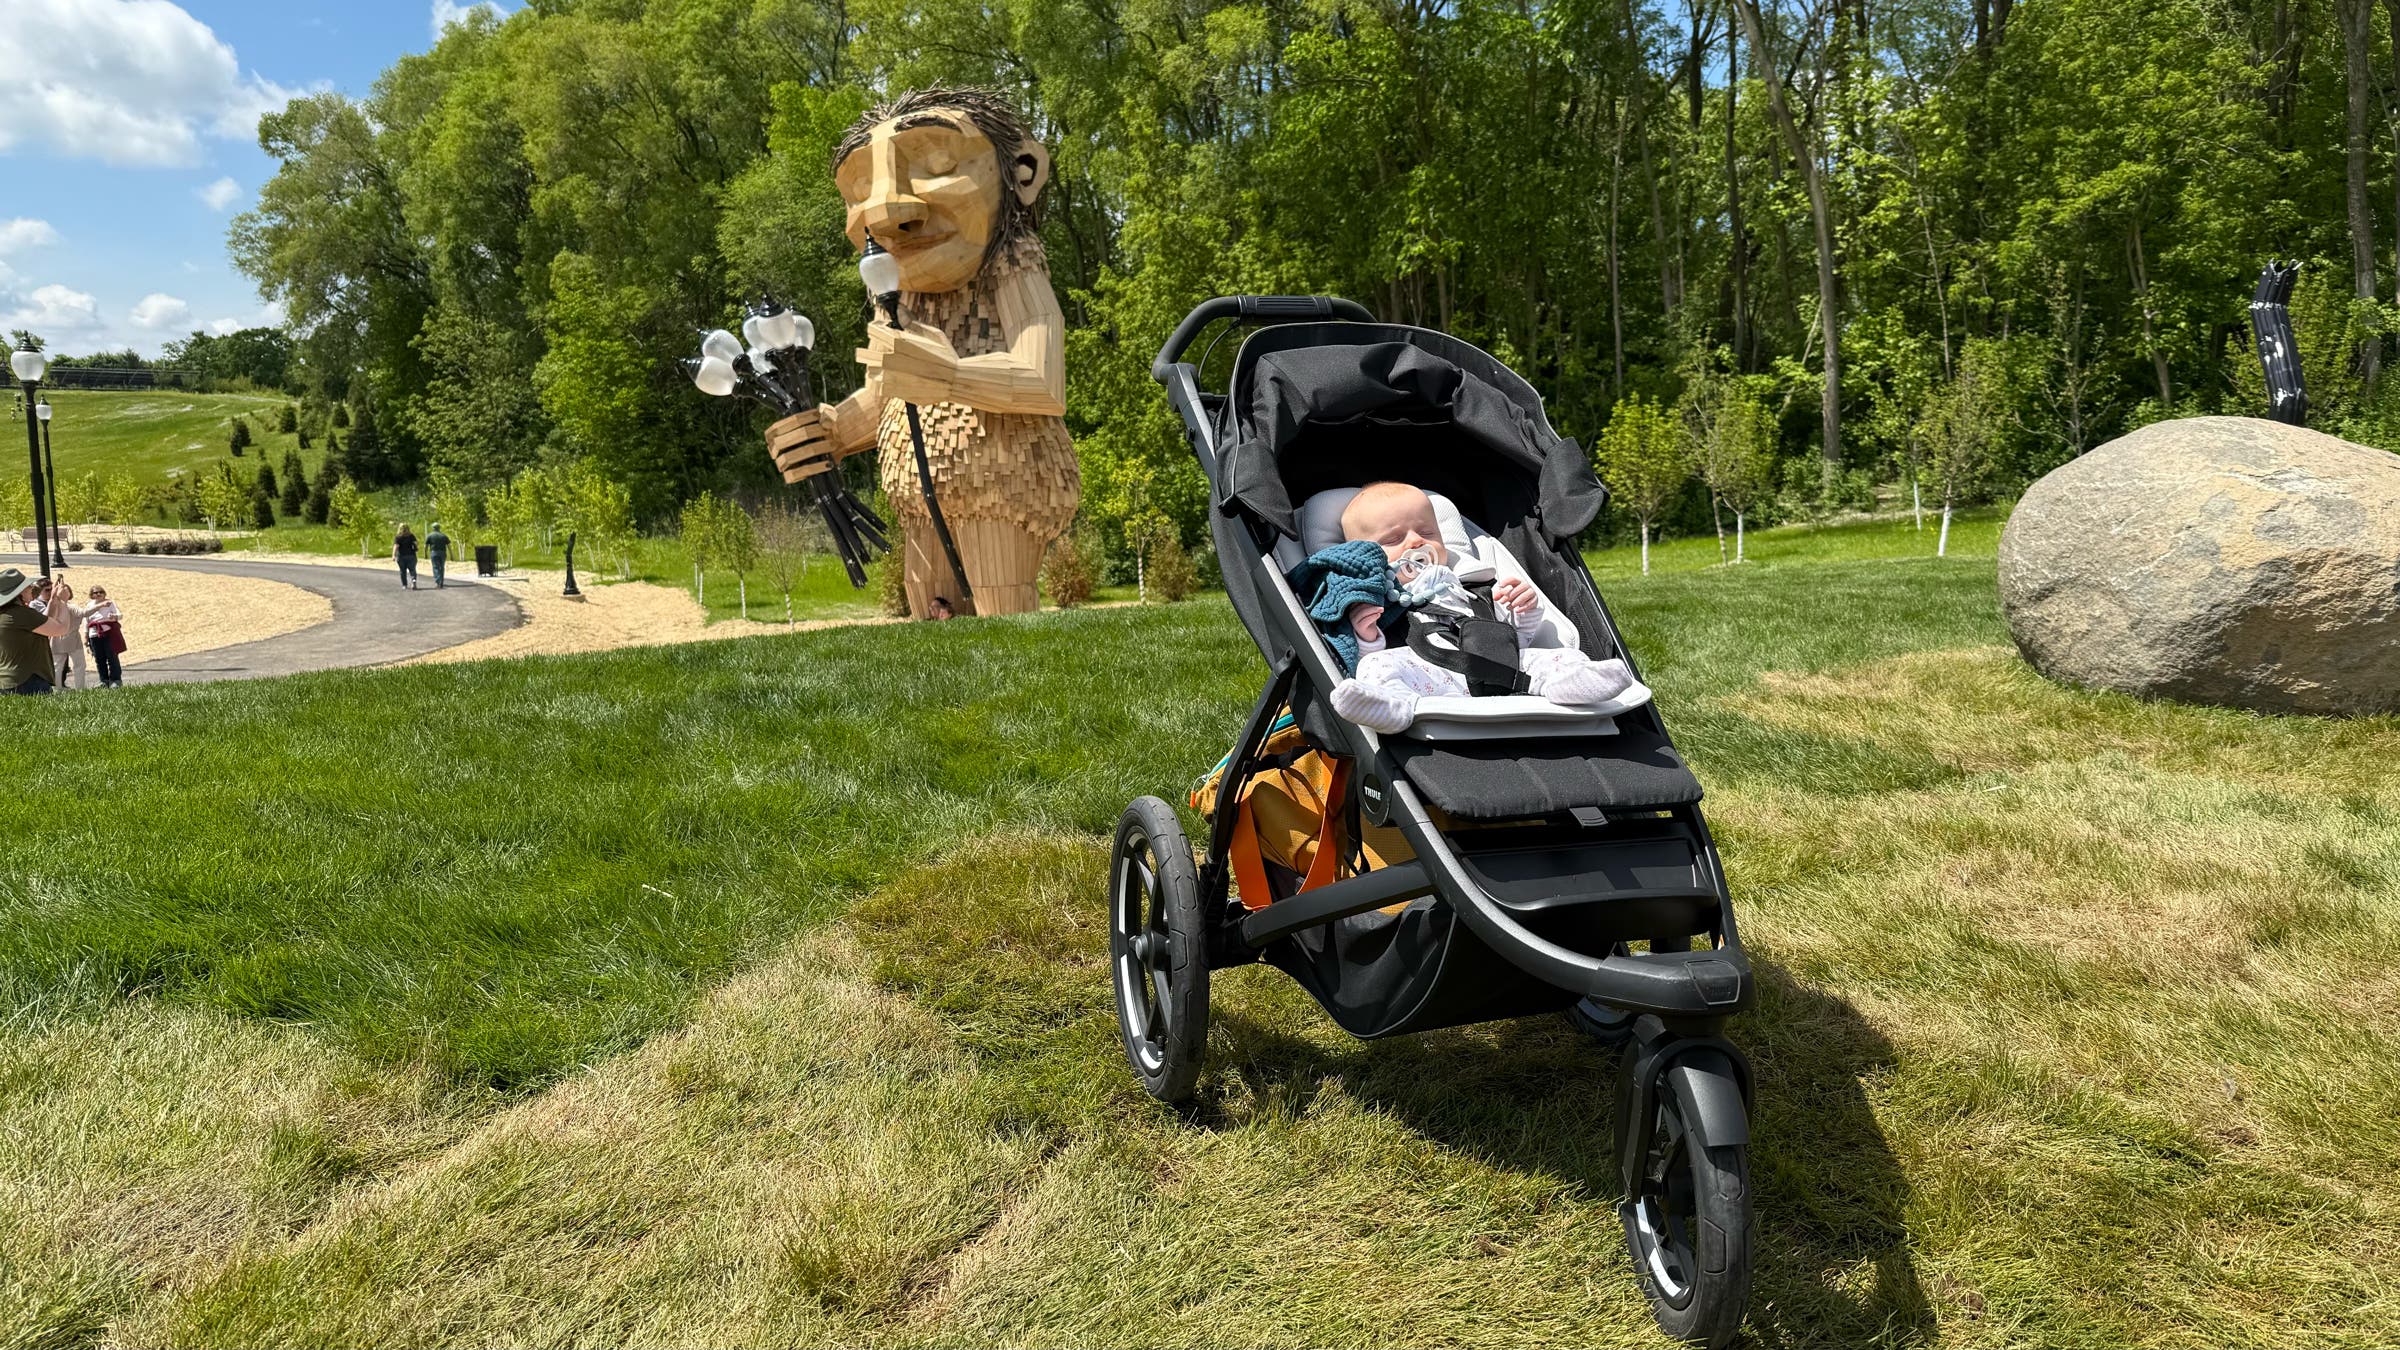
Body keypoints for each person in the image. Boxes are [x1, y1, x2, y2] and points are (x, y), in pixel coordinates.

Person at [1328, 481, 1633, 734]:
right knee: (1374, 667)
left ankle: (1567, 685)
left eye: (1428, 532)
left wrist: (1522, 612)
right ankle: (1394, 707)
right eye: (1394, 538)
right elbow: (1358, 658)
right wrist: (1368, 637)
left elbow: (1513, 641)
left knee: (1563, 656)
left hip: (1501, 671)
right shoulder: (1378, 598)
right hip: (1427, 679)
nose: (1416, 541)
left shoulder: (1472, 585)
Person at [0, 570, 77, 695]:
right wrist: (63, 602)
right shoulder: (22, 614)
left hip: (9, 681)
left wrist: (53, 600)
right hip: (28, 682)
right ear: (18, 593)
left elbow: (44, 626)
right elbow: (60, 628)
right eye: (27, 586)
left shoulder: (9, 613)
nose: (31, 588)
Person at [43, 581, 90, 690]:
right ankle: (80, 689)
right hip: (71, 639)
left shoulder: (55, 606)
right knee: (78, 665)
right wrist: (99, 606)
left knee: (57, 666)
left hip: (57, 639)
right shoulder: (69, 607)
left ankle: (57, 689)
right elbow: (83, 613)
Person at [83, 585, 125, 688]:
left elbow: (120, 615)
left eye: (100, 592)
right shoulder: (89, 605)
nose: (98, 594)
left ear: (104, 593)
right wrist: (86, 636)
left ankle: (116, 680)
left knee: (112, 657)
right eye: (95, 593)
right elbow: (86, 621)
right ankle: (104, 680)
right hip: (94, 634)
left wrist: (114, 617)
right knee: (99, 658)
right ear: (91, 595)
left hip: (108, 632)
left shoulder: (110, 603)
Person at [425, 521, 451, 588]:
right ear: (439, 528)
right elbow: (449, 546)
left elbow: (426, 546)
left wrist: (425, 553)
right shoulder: (443, 536)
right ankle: (441, 581)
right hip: (443, 553)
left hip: (434, 552)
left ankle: (438, 582)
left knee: (435, 567)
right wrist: (451, 554)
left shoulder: (430, 535)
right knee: (441, 567)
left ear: (433, 528)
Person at [395, 524, 419, 589]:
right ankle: (413, 581)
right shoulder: (411, 536)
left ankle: (404, 585)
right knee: (412, 570)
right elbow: (416, 543)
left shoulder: (398, 537)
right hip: (411, 555)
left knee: (402, 571)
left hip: (401, 556)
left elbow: (396, 546)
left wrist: (393, 555)